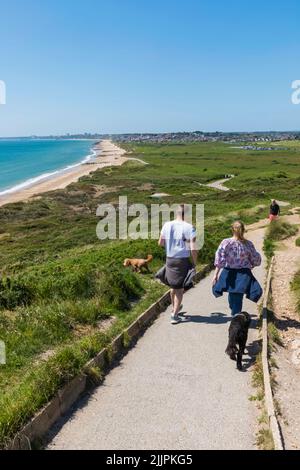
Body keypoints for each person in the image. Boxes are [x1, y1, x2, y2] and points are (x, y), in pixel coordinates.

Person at [212, 221, 262, 315]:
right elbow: (255, 258)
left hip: (229, 272)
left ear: (232, 229)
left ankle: (235, 314)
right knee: (236, 295)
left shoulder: (226, 242)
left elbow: (219, 259)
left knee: (235, 295)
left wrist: (215, 275)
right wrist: (252, 265)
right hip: (244, 273)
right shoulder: (248, 244)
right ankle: (235, 313)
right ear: (243, 230)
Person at [158, 204, 198, 324]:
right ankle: (175, 316)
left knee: (173, 287)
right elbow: (193, 249)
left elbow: (160, 243)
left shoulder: (167, 225)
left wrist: (172, 244)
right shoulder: (190, 227)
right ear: (187, 214)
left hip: (169, 258)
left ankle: (174, 308)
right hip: (182, 260)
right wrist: (195, 263)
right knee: (180, 289)